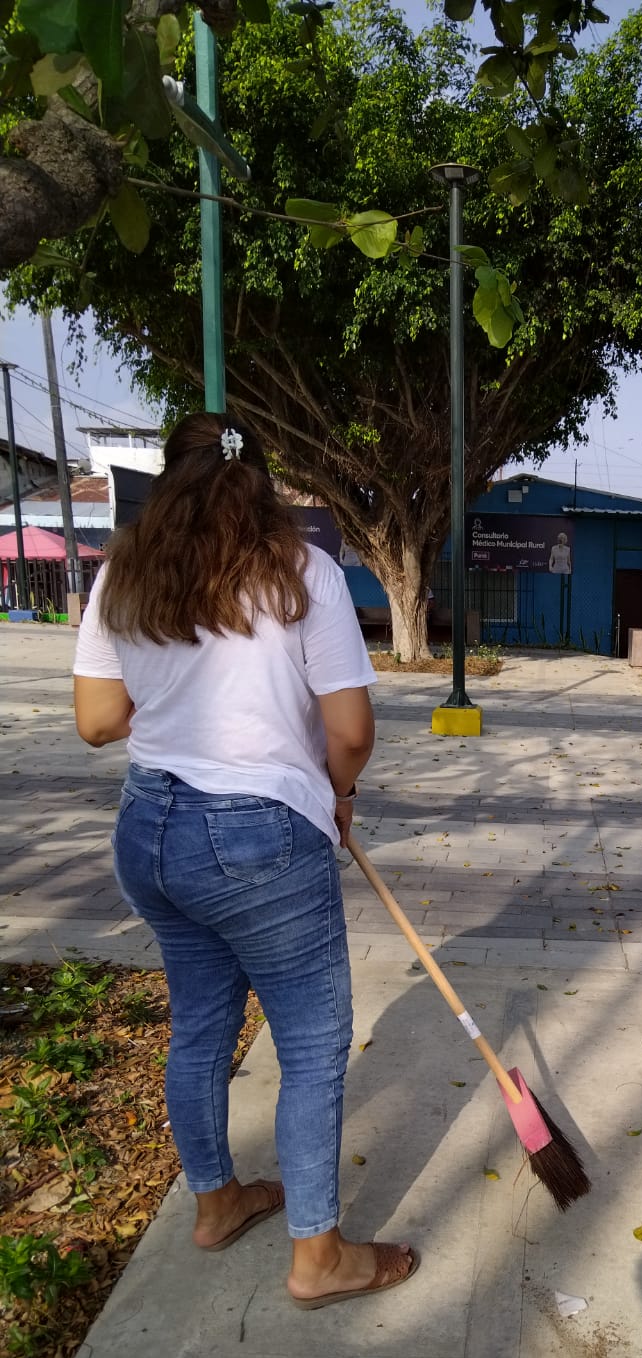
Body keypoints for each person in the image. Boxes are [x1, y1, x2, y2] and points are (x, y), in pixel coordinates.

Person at [72, 412, 418, 1309]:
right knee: (310, 1041)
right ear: (261, 482)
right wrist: (336, 791)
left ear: (167, 480)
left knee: (199, 1023)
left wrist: (176, 699)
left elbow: (97, 721)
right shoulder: (305, 572)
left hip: (149, 828)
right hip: (259, 835)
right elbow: (350, 731)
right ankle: (319, 1257)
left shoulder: (124, 573)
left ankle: (217, 1200)